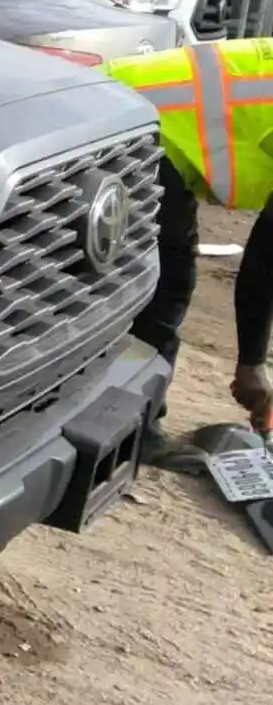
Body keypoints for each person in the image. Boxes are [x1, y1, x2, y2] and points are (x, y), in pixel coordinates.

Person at [105, 38, 273, 441]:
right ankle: (133, 434)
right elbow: (265, 261)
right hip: (130, 124)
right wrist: (251, 361)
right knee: (161, 284)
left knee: (148, 275)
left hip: (125, 108)